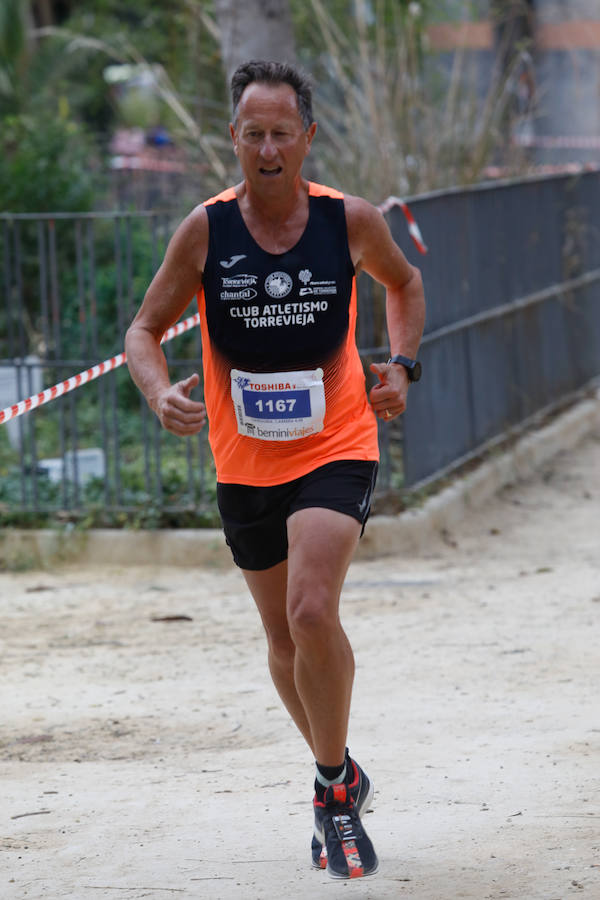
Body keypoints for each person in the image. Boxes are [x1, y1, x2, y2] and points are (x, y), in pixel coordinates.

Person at [125, 59, 425, 880]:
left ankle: (331, 793)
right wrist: (158, 394)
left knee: (311, 610)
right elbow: (143, 332)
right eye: (251, 133)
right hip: (243, 458)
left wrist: (401, 367)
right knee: (282, 640)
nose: (266, 147)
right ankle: (344, 769)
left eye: (280, 132)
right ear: (233, 139)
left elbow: (405, 282)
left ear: (307, 138)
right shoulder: (205, 231)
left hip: (336, 445)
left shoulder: (347, 221)